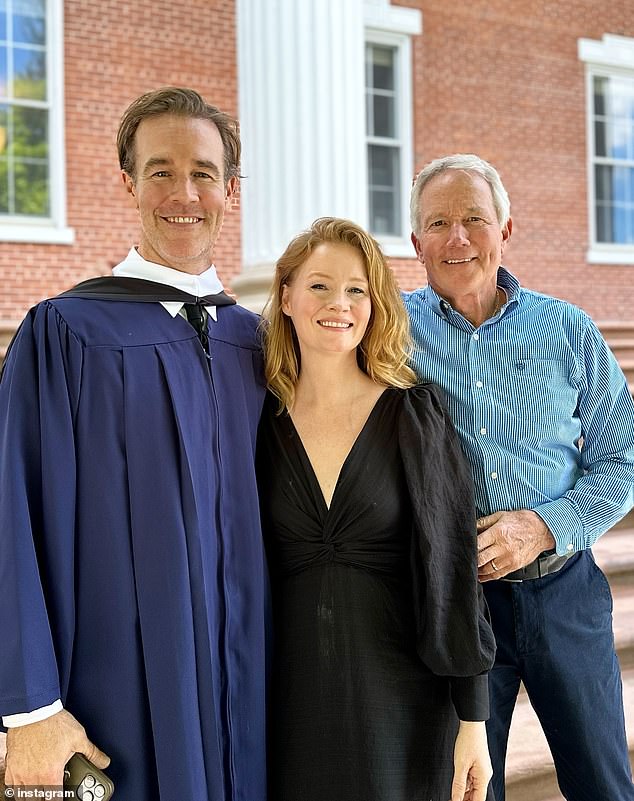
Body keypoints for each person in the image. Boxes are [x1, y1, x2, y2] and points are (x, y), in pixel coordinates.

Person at [0, 87, 268, 801]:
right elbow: (10, 517)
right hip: (119, 693)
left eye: (205, 173)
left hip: (256, 688)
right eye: (160, 171)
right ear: (127, 183)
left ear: (231, 191)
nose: (185, 193)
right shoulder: (67, 334)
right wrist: (30, 707)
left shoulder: (258, 342)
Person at [404, 153, 634, 801]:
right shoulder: (390, 330)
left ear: (506, 229)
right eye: (439, 222)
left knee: (604, 782)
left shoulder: (568, 329)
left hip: (565, 592)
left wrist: (543, 526)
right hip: (455, 606)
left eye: (474, 218)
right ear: (415, 241)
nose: (457, 237)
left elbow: (623, 457)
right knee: (471, 788)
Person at [256, 216, 496, 801]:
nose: (339, 303)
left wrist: (473, 723)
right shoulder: (256, 423)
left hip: (404, 704)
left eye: (357, 289)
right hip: (285, 703)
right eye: (319, 285)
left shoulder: (413, 414)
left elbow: (452, 569)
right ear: (286, 296)